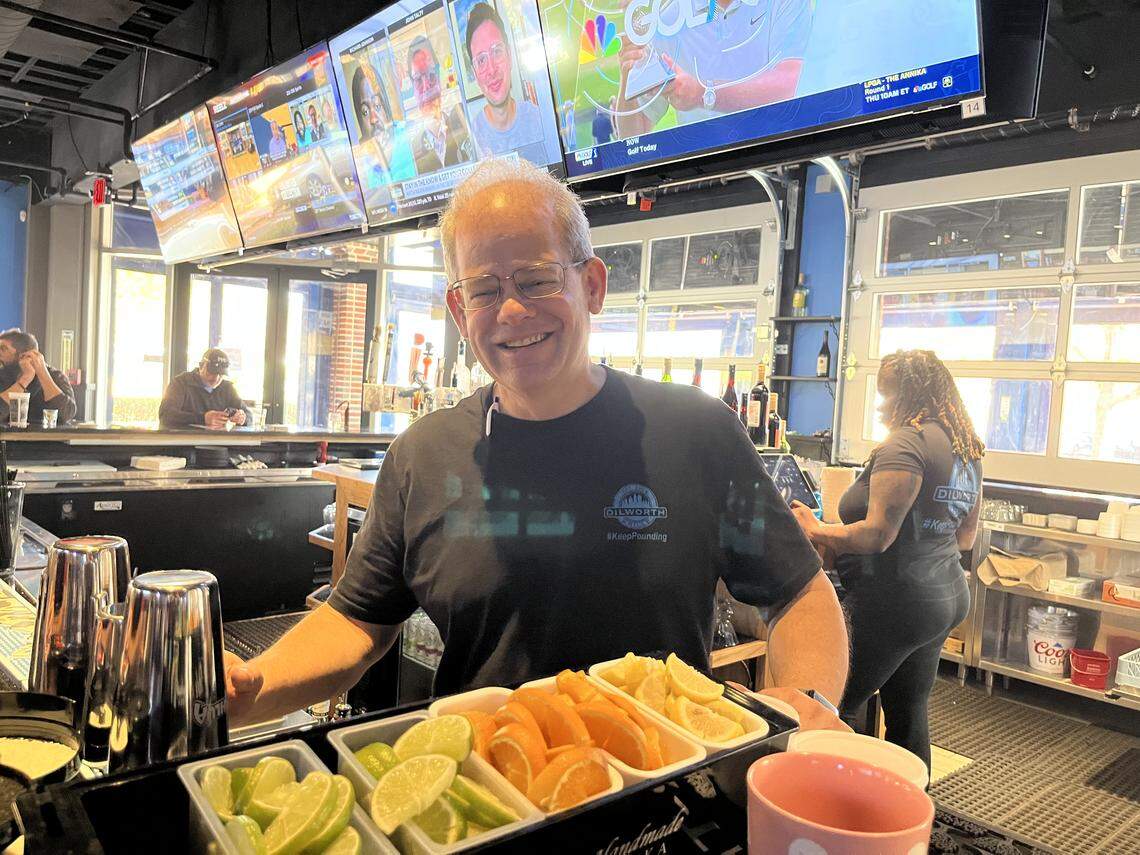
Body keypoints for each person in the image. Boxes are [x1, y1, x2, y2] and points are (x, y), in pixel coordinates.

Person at [225, 158, 849, 731]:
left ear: (593, 286)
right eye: (485, 289)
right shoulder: (423, 454)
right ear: (457, 306)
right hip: (490, 792)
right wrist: (255, 686)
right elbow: (355, 619)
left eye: (538, 279)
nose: (513, 310)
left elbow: (797, 589)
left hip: (661, 796)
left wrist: (811, 703)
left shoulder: (696, 431)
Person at [790, 349, 983, 771]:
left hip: (895, 601)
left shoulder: (906, 443)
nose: (881, 404)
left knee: (830, 706)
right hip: (945, 595)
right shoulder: (965, 447)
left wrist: (815, 528)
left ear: (909, 394)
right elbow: (966, 537)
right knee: (907, 714)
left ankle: (828, 805)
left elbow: (876, 535)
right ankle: (910, 816)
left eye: (886, 394)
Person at [616, 0, 812, 137]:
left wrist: (704, 94)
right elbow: (634, 134)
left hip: (779, 157)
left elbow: (790, 85)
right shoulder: (668, 22)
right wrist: (629, 73)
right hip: (703, 176)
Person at [463, 4, 542, 156]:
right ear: (475, 74)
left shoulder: (538, 119)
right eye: (481, 60)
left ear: (510, 56)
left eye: (497, 52)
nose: (491, 70)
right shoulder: (472, 141)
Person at [406, 36, 474, 173]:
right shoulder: (411, 150)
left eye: (431, 75)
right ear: (412, 88)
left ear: (439, 79)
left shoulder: (463, 122)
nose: (426, 88)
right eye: (418, 79)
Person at [158, 348, 252, 430]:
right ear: (201, 366)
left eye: (220, 374)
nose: (216, 379)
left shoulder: (227, 388)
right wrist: (202, 419)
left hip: (217, 444)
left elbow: (249, 416)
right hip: (183, 444)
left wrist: (242, 418)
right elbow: (165, 415)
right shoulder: (181, 383)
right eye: (211, 373)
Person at [0, 329, 76, 424]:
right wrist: (25, 379)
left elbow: (67, 414)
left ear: (25, 354)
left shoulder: (56, 376)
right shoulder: (2, 376)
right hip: (10, 438)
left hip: (49, 438)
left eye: (3, 349)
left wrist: (42, 372)